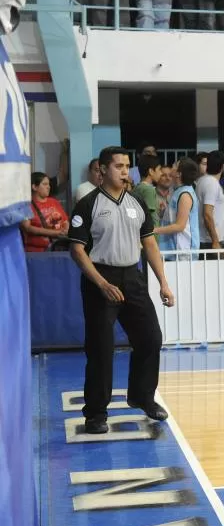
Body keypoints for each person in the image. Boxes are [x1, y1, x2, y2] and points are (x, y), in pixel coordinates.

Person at [67, 146, 175, 434]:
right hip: (100, 279)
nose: (125, 171)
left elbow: (149, 243)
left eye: (128, 166)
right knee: (101, 349)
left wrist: (163, 281)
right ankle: (95, 414)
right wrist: (101, 283)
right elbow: (77, 250)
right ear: (103, 170)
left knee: (151, 338)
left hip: (133, 277)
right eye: (118, 166)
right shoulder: (87, 204)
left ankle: (142, 396)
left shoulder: (137, 202)